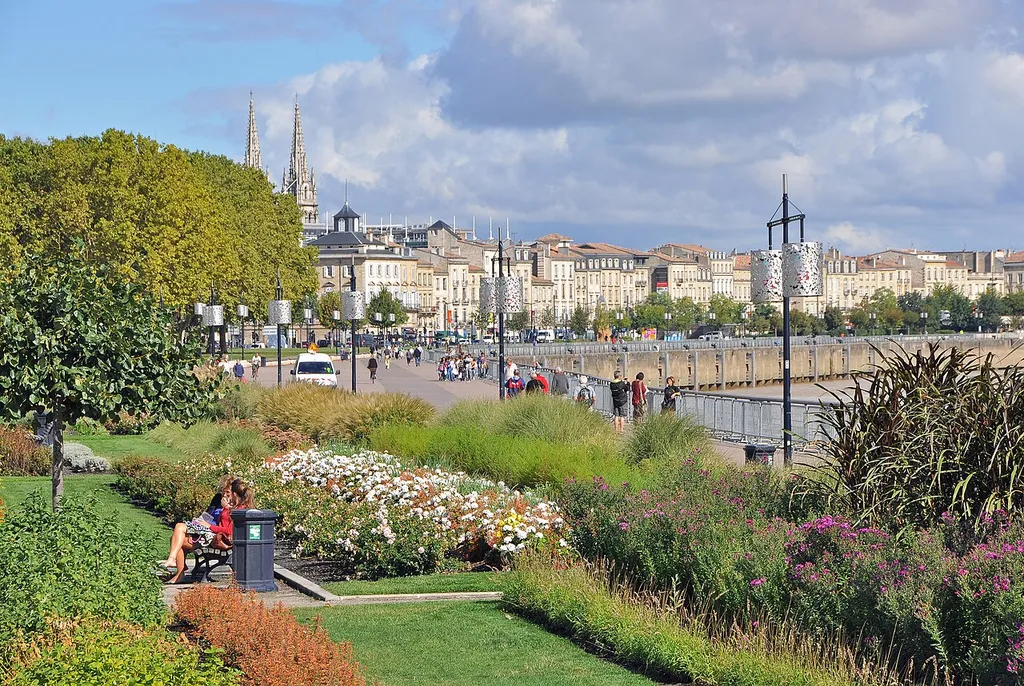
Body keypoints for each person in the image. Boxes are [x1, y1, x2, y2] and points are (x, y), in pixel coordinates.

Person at [161, 477, 252, 584]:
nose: (225, 495)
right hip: (214, 536)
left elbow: (228, 530)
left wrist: (210, 525)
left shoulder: (239, 509)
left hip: (219, 540)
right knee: (177, 538)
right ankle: (178, 572)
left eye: (228, 493)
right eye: (224, 492)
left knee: (179, 529)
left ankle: (174, 563)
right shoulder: (232, 506)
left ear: (234, 494)